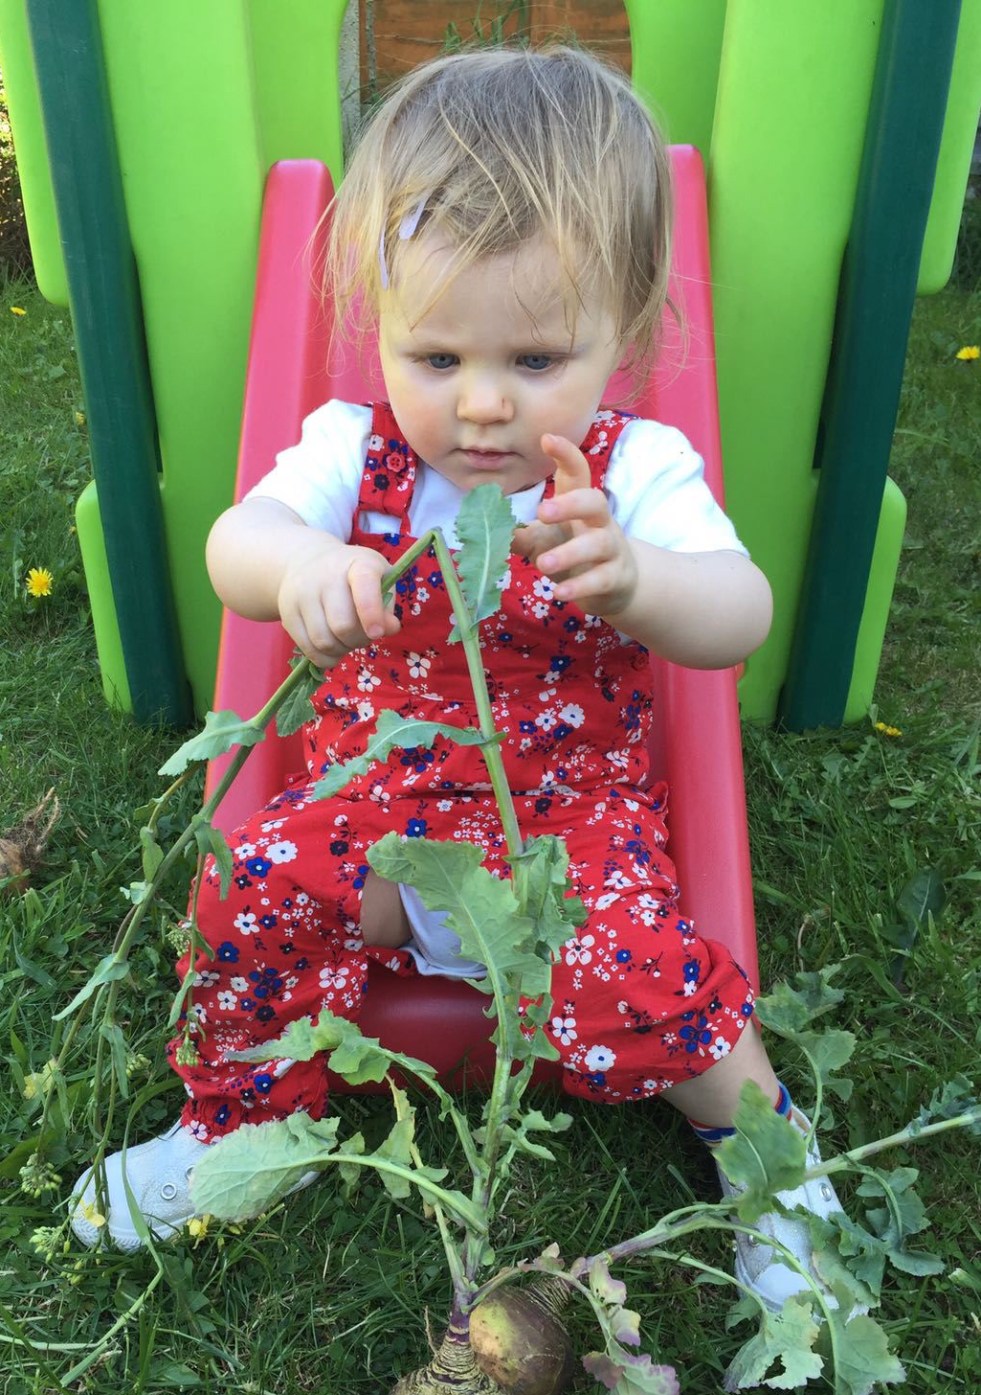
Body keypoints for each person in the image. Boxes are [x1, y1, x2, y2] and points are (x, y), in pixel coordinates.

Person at [70, 44, 844, 1311]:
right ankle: (243, 1129)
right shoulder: (348, 449)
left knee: (650, 964)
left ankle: (771, 1164)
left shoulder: (635, 466)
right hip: (380, 826)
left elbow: (736, 612)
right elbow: (236, 545)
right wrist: (301, 563)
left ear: (625, 329)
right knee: (254, 888)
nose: (481, 405)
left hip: (561, 832)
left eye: (535, 360)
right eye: (436, 360)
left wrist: (641, 579)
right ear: (383, 322)